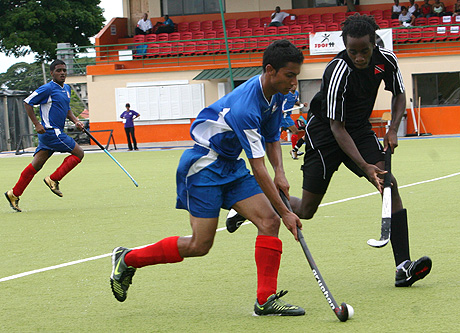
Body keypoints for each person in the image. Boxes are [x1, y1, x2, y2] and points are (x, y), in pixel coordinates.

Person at [227, 14, 432, 288]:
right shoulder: (337, 71)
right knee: (308, 209)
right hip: (325, 132)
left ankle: (403, 266)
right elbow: (337, 127)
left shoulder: (387, 61)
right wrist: (365, 166)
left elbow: (398, 94)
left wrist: (393, 128)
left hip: (357, 129)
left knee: (389, 183)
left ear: (375, 45)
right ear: (345, 48)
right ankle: (251, 205)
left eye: (364, 51)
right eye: (352, 51)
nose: (359, 57)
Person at [109, 40, 306, 317]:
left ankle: (265, 300)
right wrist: (286, 211)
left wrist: (281, 173)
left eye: (297, 75)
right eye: (290, 75)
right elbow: (259, 168)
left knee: (268, 221)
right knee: (200, 245)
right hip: (203, 166)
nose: (294, 83)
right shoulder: (245, 108)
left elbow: (273, 136)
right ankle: (128, 259)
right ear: (270, 70)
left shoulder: (276, 95)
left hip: (230, 165)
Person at [4, 60, 85, 212]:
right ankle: (53, 179)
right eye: (59, 70)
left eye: (64, 70)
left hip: (53, 133)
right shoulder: (47, 88)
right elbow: (27, 102)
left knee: (36, 165)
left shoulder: (66, 88)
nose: (62, 73)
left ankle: (13, 194)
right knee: (79, 153)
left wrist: (76, 121)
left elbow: (67, 109)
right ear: (51, 73)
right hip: (51, 132)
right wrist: (36, 124)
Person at [280, 86, 308, 159]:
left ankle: (266, 147)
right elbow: (278, 102)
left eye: (295, 85)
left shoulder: (296, 93)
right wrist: (280, 109)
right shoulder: (285, 93)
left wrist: (302, 104)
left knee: (278, 133)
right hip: (284, 116)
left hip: (288, 115)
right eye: (292, 85)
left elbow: (296, 102)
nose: (294, 86)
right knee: (295, 131)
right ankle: (294, 150)